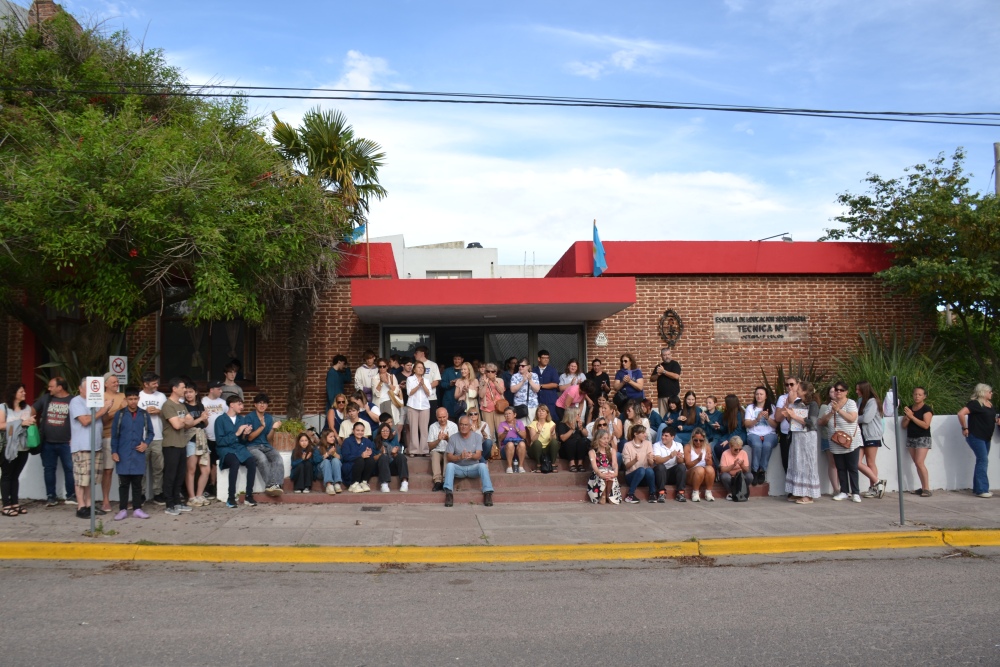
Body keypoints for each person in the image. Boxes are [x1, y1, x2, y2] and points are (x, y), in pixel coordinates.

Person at [69, 379, 114, 519]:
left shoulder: (95, 401)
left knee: (91, 479)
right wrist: (102, 410)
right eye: (88, 388)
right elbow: (85, 421)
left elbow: (103, 420)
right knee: (81, 478)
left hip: (96, 445)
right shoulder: (76, 401)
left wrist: (107, 409)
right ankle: (81, 506)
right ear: (80, 389)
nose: (91, 391)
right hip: (82, 446)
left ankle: (89, 505)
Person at [109, 385, 153, 520]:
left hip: (138, 454)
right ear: (126, 399)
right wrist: (114, 451)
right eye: (130, 399)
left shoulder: (144, 414)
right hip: (123, 453)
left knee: (137, 483)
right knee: (123, 484)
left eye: (135, 398)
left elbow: (151, 432)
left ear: (138, 399)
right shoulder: (120, 414)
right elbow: (114, 434)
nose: (133, 401)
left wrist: (145, 443)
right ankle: (122, 509)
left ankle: (137, 508)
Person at [35, 377, 76, 506]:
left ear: (60, 387)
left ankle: (71, 495)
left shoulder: (73, 400)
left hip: (66, 443)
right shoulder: (46, 398)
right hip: (47, 442)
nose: (49, 388)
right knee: (49, 469)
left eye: (51, 386)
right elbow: (33, 409)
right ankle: (51, 497)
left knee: (70, 469)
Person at [159, 377, 197, 515]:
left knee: (180, 474)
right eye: (182, 387)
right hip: (171, 445)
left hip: (182, 444)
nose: (185, 390)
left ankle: (177, 502)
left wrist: (182, 420)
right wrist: (183, 421)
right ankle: (169, 505)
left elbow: (191, 421)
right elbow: (176, 425)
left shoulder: (181, 405)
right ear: (174, 389)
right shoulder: (168, 405)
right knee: (170, 475)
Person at [214, 395, 258, 508]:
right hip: (225, 449)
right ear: (231, 405)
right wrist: (237, 434)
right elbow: (220, 441)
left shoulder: (241, 419)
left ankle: (249, 495)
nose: (242, 407)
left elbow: (243, 441)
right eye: (239, 404)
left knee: (252, 462)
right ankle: (231, 497)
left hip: (239, 448)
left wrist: (245, 434)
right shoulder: (220, 420)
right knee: (234, 462)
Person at [957, 383, 999, 498]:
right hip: (976, 436)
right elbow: (961, 413)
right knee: (983, 460)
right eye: (990, 392)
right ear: (983, 392)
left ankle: (978, 488)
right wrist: (964, 427)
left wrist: (996, 420)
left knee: (981, 461)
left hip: (986, 437)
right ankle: (982, 489)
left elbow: (989, 417)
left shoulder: (989, 404)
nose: (991, 394)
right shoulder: (975, 404)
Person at [442, 416, 494, 507]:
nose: (463, 427)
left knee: (482, 465)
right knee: (450, 465)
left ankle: (488, 493)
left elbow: (478, 455)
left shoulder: (477, 437)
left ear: (470, 426)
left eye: (466, 425)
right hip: (459, 468)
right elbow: (449, 457)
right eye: (461, 424)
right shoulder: (453, 438)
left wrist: (472, 456)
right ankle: (449, 493)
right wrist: (459, 457)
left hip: (473, 467)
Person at [1, 383, 35, 517]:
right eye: (21, 391)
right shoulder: (3, 408)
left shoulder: (26, 408)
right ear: (13, 393)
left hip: (23, 447)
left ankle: (15, 503)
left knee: (15, 476)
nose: (24, 394)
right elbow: (1, 425)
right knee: (7, 475)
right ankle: (6, 505)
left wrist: (30, 421)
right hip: (8, 447)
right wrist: (20, 423)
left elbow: (30, 421)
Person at [784, 380, 821, 504]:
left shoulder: (813, 404)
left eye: (798, 388)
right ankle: (797, 491)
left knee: (807, 463)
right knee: (797, 462)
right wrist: (789, 416)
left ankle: (808, 495)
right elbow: (793, 420)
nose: (796, 390)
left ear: (805, 391)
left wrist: (794, 416)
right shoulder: (797, 402)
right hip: (797, 436)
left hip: (808, 436)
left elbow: (812, 422)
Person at [826, 381, 863, 502]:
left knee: (852, 466)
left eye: (841, 390)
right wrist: (832, 411)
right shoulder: (830, 405)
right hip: (836, 441)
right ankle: (844, 491)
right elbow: (822, 421)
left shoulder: (851, 403)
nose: (838, 392)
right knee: (840, 467)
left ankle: (856, 492)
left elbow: (852, 418)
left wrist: (838, 410)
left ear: (846, 392)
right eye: (836, 389)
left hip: (850, 440)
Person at [244, 393, 285, 498]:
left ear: (267, 405)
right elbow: (250, 438)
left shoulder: (269, 417)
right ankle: (271, 485)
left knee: (278, 458)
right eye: (259, 403)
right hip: (252, 446)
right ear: (255, 405)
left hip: (266, 445)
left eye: (264, 403)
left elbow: (269, 439)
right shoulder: (249, 417)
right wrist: (262, 426)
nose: (262, 405)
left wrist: (274, 429)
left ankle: (276, 485)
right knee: (262, 459)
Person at [98, 373, 127, 512]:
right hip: (108, 436)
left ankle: (124, 500)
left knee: (125, 471)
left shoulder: (122, 396)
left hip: (124, 437)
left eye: (117, 382)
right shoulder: (102, 397)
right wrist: (120, 409)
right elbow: (103, 420)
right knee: (108, 470)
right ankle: (105, 501)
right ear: (106, 384)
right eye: (113, 382)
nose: (116, 384)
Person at [137, 372, 166, 504]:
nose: (157, 385)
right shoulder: (138, 396)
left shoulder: (161, 396)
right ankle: (141, 493)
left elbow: (167, 413)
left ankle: (158, 493)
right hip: (141, 437)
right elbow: (132, 414)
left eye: (157, 382)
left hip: (158, 436)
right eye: (154, 383)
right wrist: (144, 412)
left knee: (158, 467)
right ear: (146, 384)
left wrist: (159, 411)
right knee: (141, 467)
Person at [855, 381, 886, 499]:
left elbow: (867, 418)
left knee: (870, 462)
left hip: (871, 435)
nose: (856, 391)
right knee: (857, 462)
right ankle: (878, 482)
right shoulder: (860, 401)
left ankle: (873, 487)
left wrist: (852, 418)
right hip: (860, 435)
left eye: (858, 389)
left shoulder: (872, 401)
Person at [183, 384, 212, 507]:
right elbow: (187, 425)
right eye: (186, 392)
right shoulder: (183, 407)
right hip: (190, 439)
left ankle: (199, 495)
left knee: (206, 468)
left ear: (196, 393)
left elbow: (205, 424)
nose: (188, 394)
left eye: (190, 392)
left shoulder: (200, 405)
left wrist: (205, 418)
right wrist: (200, 418)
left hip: (202, 439)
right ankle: (191, 497)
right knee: (191, 469)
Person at [902, 387, 934, 497]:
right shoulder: (910, 408)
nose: (917, 396)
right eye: (915, 394)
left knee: (920, 462)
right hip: (911, 437)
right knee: (916, 463)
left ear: (924, 396)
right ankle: (922, 487)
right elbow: (903, 425)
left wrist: (912, 416)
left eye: (920, 394)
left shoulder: (926, 409)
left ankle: (927, 488)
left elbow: (926, 425)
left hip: (923, 438)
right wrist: (908, 417)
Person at [743, 386, 777, 486]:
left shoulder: (772, 408)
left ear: (766, 396)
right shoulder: (750, 408)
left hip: (769, 434)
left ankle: (762, 470)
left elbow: (775, 425)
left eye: (761, 394)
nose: (759, 396)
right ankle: (754, 470)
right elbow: (747, 424)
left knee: (767, 445)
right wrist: (757, 419)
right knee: (757, 445)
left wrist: (767, 418)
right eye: (757, 394)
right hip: (753, 434)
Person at [201, 380, 227, 499]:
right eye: (218, 389)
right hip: (206, 437)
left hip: (220, 438)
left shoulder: (223, 403)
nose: (220, 391)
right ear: (211, 390)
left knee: (215, 463)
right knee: (206, 463)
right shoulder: (203, 401)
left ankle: (214, 485)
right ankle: (207, 487)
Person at [620, 424, 655, 504]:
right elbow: (626, 466)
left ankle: (652, 494)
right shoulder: (627, 445)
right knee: (641, 470)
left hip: (644, 478)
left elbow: (651, 463)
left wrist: (650, 459)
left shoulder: (648, 444)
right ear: (635, 434)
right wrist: (635, 460)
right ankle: (630, 495)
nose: (645, 435)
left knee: (649, 470)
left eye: (645, 433)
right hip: (631, 476)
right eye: (642, 433)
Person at [651, 426, 687, 502]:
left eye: (666, 436)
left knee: (681, 467)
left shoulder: (678, 445)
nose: (663, 437)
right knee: (660, 467)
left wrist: (679, 458)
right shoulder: (656, 445)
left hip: (672, 473)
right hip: (660, 474)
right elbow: (657, 461)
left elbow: (681, 461)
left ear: (672, 437)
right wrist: (670, 456)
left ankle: (680, 493)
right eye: (663, 435)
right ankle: (661, 493)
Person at [406, 361, 433, 456]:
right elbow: (409, 393)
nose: (421, 369)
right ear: (414, 369)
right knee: (413, 429)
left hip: (425, 406)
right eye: (418, 367)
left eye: (422, 368)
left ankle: (424, 450)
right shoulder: (410, 379)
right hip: (413, 406)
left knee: (424, 429)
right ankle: (414, 451)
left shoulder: (426, 380)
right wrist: (418, 385)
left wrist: (423, 385)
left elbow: (429, 393)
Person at [587, 428, 620, 504]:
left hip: (609, 472)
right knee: (604, 473)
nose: (606, 441)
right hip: (598, 474)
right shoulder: (592, 452)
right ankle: (603, 495)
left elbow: (614, 464)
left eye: (607, 438)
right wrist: (600, 474)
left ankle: (608, 494)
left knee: (610, 473)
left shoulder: (612, 450)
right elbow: (595, 467)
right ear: (598, 439)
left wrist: (616, 472)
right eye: (604, 438)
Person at [428, 407, 458, 491]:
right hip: (436, 450)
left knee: (447, 454)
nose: (442, 419)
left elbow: (456, 446)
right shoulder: (432, 427)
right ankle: (437, 481)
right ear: (436, 417)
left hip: (448, 450)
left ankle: (445, 480)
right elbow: (430, 446)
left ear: (447, 415)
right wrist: (438, 440)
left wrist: (448, 439)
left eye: (444, 417)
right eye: (440, 417)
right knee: (434, 454)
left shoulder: (453, 426)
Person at [817, 387, 840, 495]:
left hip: (842, 438)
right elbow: (820, 422)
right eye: (831, 391)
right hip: (828, 437)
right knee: (833, 463)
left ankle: (844, 488)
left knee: (842, 464)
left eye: (835, 391)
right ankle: (836, 489)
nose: (834, 393)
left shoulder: (845, 405)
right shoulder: (825, 406)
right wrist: (831, 412)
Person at [713, 394, 747, 468]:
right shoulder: (726, 413)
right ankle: (723, 465)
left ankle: (730, 467)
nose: (725, 405)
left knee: (727, 447)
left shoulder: (740, 414)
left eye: (726, 403)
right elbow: (725, 429)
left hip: (738, 435)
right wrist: (719, 427)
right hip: (729, 434)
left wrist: (728, 440)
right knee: (717, 448)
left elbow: (738, 430)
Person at [374, 422, 409, 492]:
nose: (385, 433)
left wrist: (394, 453)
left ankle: (404, 482)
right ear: (380, 432)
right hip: (381, 468)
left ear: (390, 432)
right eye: (383, 431)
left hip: (392, 466)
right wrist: (381, 454)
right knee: (384, 457)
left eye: (387, 431)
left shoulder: (393, 441)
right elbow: (373, 458)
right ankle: (384, 483)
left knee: (401, 456)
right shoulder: (375, 442)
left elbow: (397, 455)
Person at [343, 421, 376, 493]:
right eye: (357, 430)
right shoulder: (347, 441)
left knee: (370, 460)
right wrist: (360, 455)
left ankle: (363, 482)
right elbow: (345, 457)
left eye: (362, 431)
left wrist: (370, 453)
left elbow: (372, 454)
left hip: (363, 467)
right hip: (351, 466)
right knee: (360, 460)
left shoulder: (367, 441)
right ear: (353, 431)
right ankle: (354, 484)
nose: (360, 432)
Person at [773, 377, 798, 474]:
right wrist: (787, 405)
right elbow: (778, 418)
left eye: (791, 384)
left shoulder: (801, 398)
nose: (789, 387)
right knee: (786, 461)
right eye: (787, 385)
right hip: (785, 433)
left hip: (797, 434)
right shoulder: (782, 398)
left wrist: (792, 403)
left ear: (797, 385)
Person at [684, 428, 715, 502]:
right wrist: (698, 459)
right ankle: (695, 492)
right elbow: (687, 465)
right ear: (692, 439)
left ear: (704, 439)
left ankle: (708, 492)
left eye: (701, 440)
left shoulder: (707, 447)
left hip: (704, 474)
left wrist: (708, 460)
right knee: (699, 469)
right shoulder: (688, 447)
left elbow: (710, 464)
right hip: (691, 474)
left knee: (710, 469)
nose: (698, 442)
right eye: (696, 440)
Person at [477, 362, 506, 445]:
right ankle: (492, 452)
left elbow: (501, 391)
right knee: (489, 431)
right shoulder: (482, 381)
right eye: (488, 371)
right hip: (487, 408)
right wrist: (485, 383)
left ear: (495, 372)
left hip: (499, 408)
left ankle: (502, 450)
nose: (490, 373)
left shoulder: (500, 380)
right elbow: (481, 395)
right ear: (485, 372)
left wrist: (495, 382)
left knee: (500, 430)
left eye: (492, 371)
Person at [556, 407, 590, 472]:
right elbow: (563, 438)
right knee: (570, 441)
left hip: (578, 451)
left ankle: (580, 464)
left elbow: (586, 434)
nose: (579, 416)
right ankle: (572, 464)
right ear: (572, 415)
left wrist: (581, 428)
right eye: (578, 414)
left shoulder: (579, 423)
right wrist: (572, 429)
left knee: (583, 441)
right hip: (566, 450)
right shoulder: (562, 424)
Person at [719, 436, 752, 501]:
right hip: (730, 476)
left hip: (740, 476)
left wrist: (742, 465)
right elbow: (722, 469)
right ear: (730, 447)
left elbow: (747, 469)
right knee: (724, 476)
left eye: (740, 449)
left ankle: (743, 492)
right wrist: (733, 465)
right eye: (736, 449)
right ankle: (731, 493)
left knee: (750, 476)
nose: (738, 451)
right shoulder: (725, 454)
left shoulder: (744, 453)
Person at [528, 404, 558, 472]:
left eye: (543, 411)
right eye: (539, 411)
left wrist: (552, 433)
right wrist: (538, 431)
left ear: (547, 413)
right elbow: (533, 439)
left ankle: (553, 464)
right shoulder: (533, 423)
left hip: (546, 449)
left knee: (555, 442)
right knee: (537, 443)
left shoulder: (551, 423)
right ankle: (538, 465)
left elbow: (553, 439)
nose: (541, 412)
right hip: (535, 449)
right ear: (536, 413)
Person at [371, 358, 403, 424]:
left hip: (390, 402)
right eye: (380, 366)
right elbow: (375, 393)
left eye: (384, 366)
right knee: (381, 424)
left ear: (387, 367)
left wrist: (388, 382)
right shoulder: (374, 378)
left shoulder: (392, 376)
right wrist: (381, 382)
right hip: (379, 403)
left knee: (391, 423)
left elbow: (396, 391)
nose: (382, 368)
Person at [652, 347, 681, 417]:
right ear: (661, 356)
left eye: (668, 354)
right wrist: (657, 375)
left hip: (673, 396)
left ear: (671, 355)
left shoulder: (675, 364)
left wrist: (664, 372)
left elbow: (676, 376)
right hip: (662, 397)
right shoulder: (658, 366)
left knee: (675, 415)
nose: (667, 356)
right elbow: (652, 379)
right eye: (664, 355)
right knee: (663, 417)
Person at [533, 350, 561, 424]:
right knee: (536, 421)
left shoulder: (552, 370)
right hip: (536, 400)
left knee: (551, 421)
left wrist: (540, 386)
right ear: (539, 359)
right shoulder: (533, 370)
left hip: (550, 400)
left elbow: (555, 384)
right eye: (544, 358)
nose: (546, 360)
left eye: (547, 358)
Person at [497, 406, 527, 474]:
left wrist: (517, 430)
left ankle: (521, 466)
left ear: (515, 414)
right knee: (510, 444)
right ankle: (509, 467)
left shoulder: (519, 423)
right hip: (505, 449)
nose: (507, 415)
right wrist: (505, 432)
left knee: (522, 444)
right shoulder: (502, 424)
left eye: (509, 413)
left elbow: (524, 436)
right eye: (506, 414)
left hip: (518, 448)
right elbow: (500, 439)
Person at [510, 358, 540, 422]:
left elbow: (537, 389)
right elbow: (512, 390)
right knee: (521, 428)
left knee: (532, 427)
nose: (520, 367)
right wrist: (523, 381)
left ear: (528, 367)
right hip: (519, 406)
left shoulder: (534, 375)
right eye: (519, 366)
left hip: (532, 405)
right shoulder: (515, 376)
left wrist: (530, 380)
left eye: (523, 366)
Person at [413, 346, 441, 412]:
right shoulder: (413, 366)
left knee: (432, 420)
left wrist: (425, 388)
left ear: (422, 353)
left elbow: (436, 381)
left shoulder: (433, 365)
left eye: (416, 353)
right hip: (417, 398)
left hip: (431, 398)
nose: (414, 355)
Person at [318, 428, 345, 494]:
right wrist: (328, 453)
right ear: (325, 437)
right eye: (331, 437)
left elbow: (341, 459)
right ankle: (329, 485)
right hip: (322, 472)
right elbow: (316, 460)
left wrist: (334, 454)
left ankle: (337, 484)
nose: (333, 438)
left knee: (336, 460)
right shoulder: (318, 447)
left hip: (334, 471)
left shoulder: (336, 447)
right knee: (326, 461)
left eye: (334, 437)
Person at [441, 354, 465, 421]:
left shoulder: (465, 371)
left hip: (461, 401)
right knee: (449, 421)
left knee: (462, 421)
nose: (457, 361)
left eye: (459, 359)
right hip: (448, 400)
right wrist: (450, 384)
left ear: (462, 360)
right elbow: (442, 384)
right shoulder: (447, 371)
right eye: (455, 359)